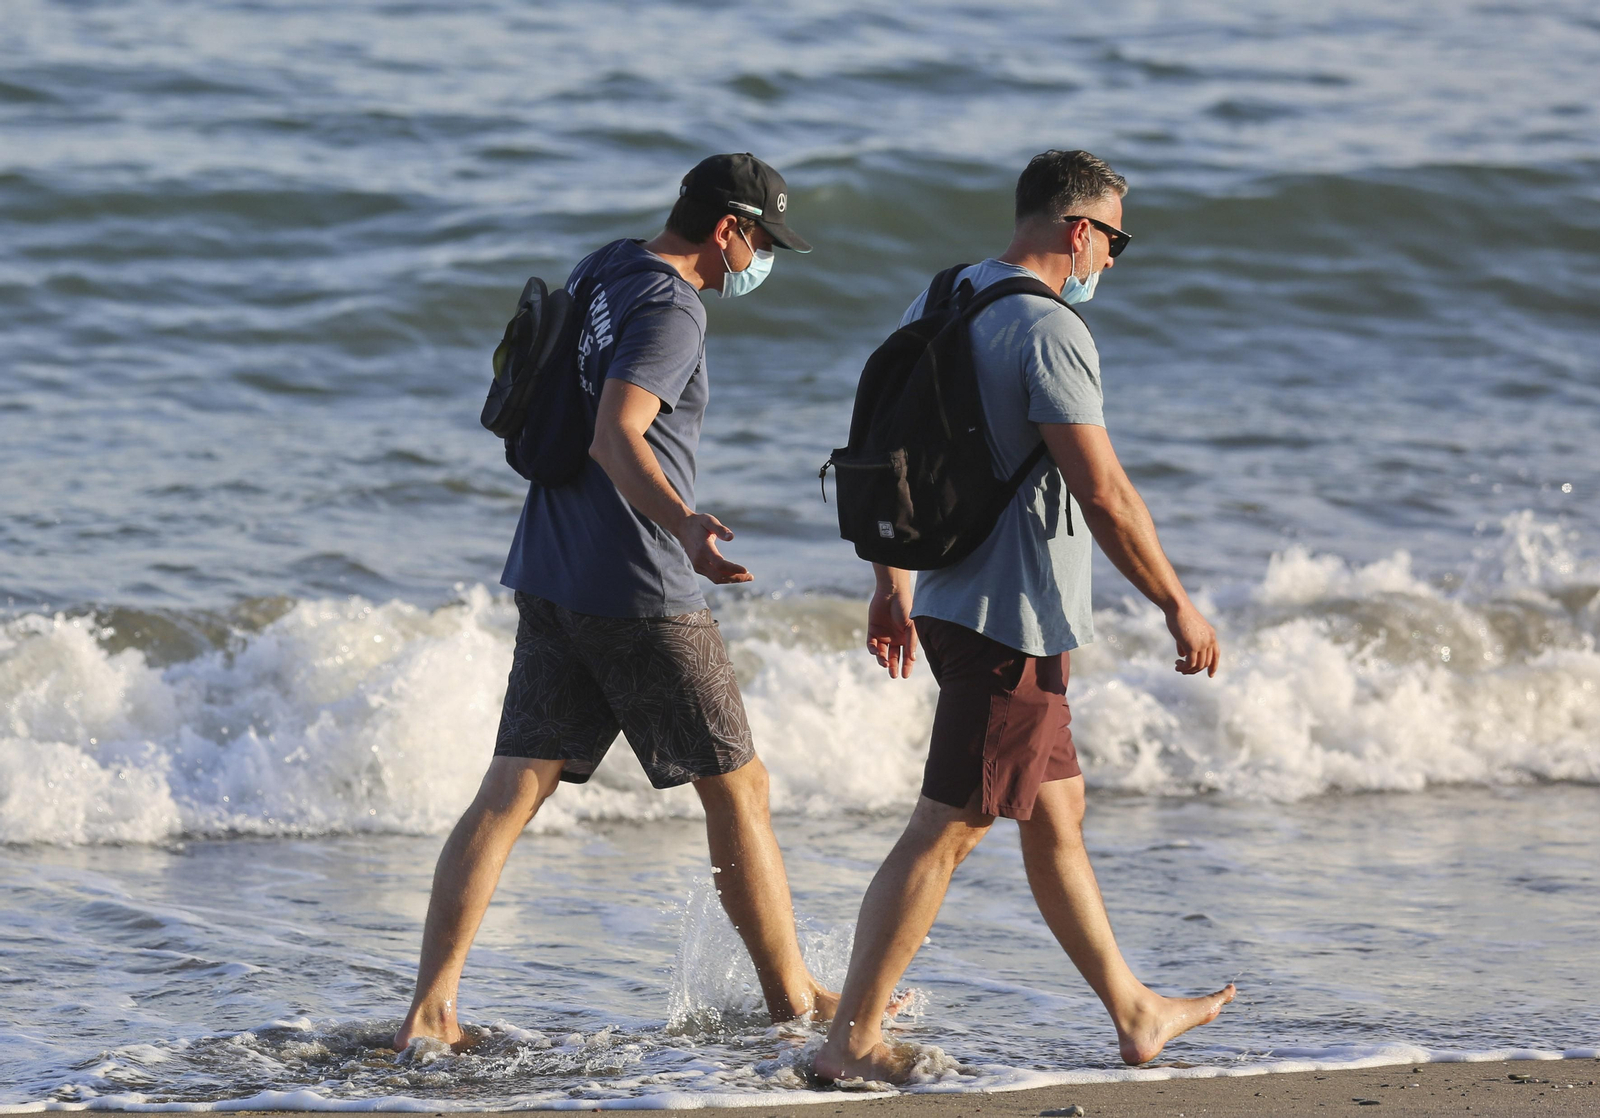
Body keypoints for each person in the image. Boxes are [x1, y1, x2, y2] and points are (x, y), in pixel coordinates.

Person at [395, 153, 836, 1050]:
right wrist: (684, 526)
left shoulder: (605, 266)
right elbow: (615, 432)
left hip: (552, 566)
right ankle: (795, 1001)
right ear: (727, 228)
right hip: (637, 586)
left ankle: (430, 1011)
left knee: (513, 786)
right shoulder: (675, 306)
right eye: (758, 240)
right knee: (739, 786)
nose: (758, 259)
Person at [814, 150, 1235, 1083]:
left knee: (1057, 808)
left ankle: (1136, 1013)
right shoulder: (1049, 332)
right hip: (1012, 619)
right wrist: (1176, 602)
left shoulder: (946, 293)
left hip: (960, 602)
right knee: (950, 826)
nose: (1114, 263)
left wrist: (893, 579)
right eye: (1114, 240)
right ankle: (851, 1042)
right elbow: (1106, 492)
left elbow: (881, 448)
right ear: (1078, 230)